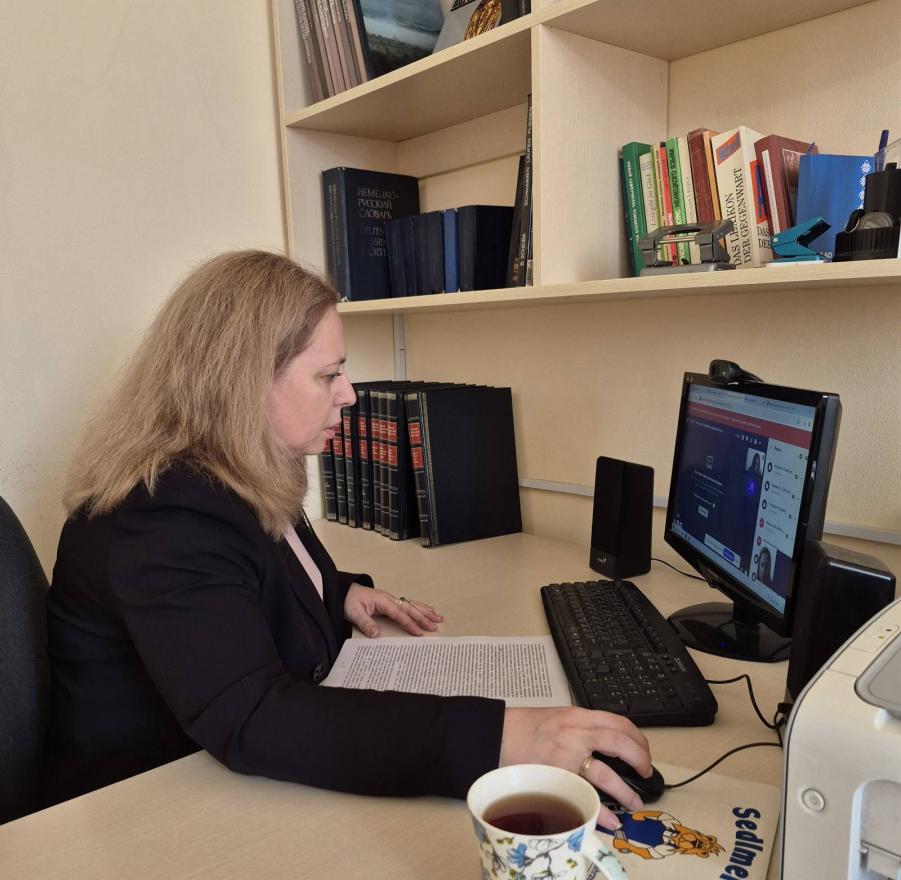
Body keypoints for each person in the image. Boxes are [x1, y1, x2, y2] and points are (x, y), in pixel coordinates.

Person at [43, 250, 651, 828]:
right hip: (142, 810)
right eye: (329, 375)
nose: (350, 395)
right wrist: (506, 736)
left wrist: (336, 593)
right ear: (241, 384)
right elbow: (254, 716)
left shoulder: (235, 468)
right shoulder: (165, 514)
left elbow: (248, 576)